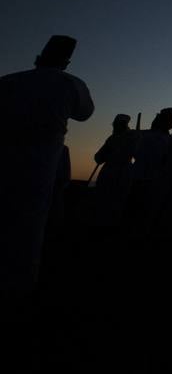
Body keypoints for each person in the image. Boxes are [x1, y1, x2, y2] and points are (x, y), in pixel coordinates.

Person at [0, 35, 94, 297]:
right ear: (66, 62)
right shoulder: (70, 84)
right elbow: (84, 113)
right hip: (40, 165)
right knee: (29, 225)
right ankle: (18, 289)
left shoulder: (8, 81)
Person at [127, 107, 172, 230]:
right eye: (171, 119)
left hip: (145, 179)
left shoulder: (146, 135)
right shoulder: (157, 138)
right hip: (149, 181)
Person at [91, 114, 140, 227]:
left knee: (113, 202)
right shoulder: (120, 138)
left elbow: (98, 158)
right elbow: (99, 158)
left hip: (117, 173)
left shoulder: (118, 138)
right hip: (116, 173)